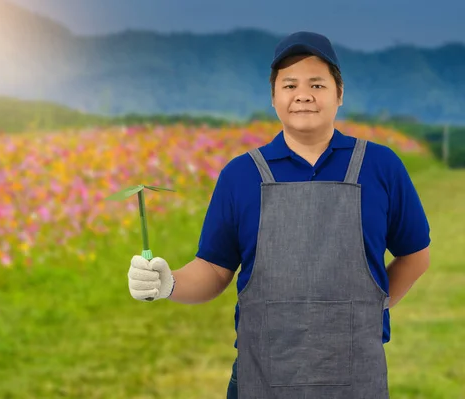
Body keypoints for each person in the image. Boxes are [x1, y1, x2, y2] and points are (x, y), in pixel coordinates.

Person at [127, 31, 431, 398]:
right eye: (289, 84)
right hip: (262, 377)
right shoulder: (240, 175)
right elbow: (213, 269)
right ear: (274, 97)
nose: (303, 94)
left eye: (317, 84)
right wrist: (168, 283)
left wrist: (372, 307)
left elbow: (415, 256)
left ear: (339, 94)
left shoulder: (381, 167)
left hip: (356, 379)